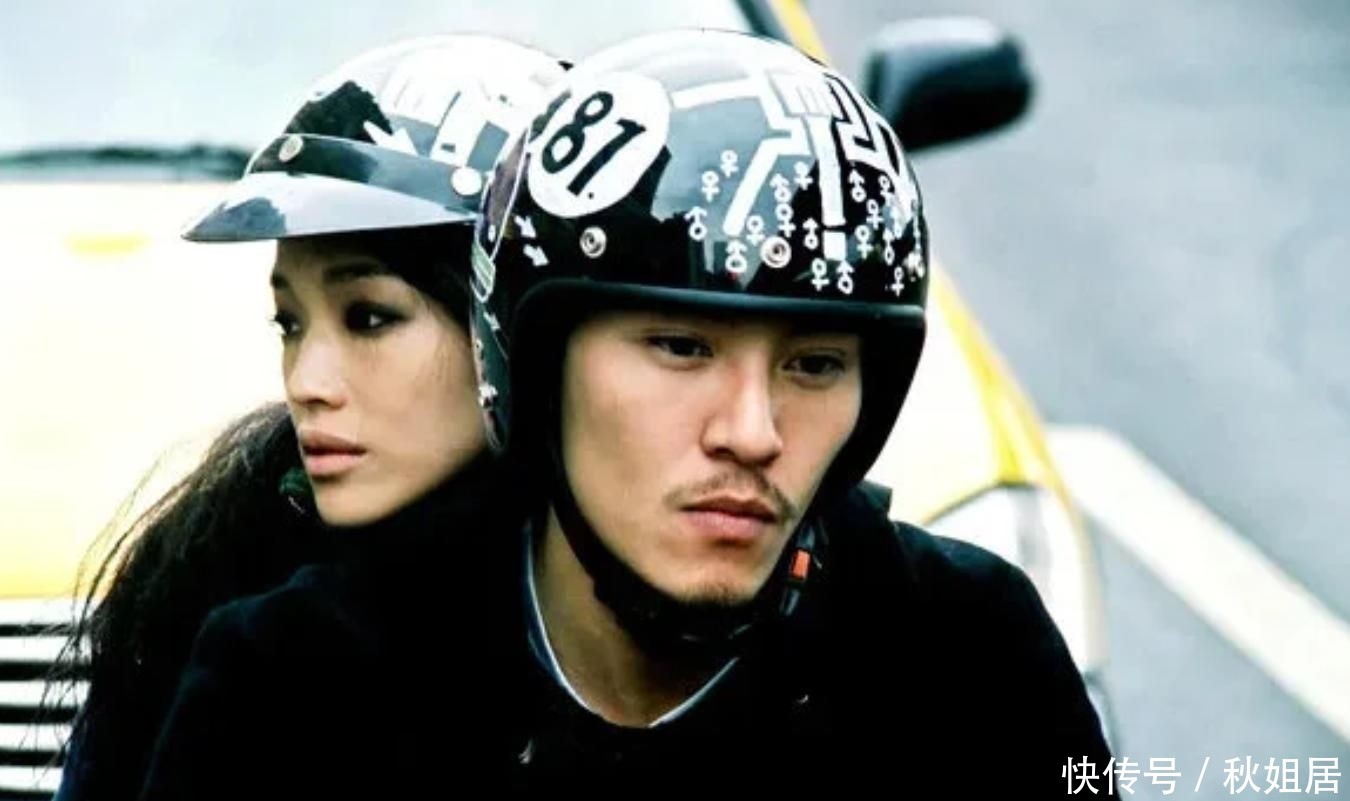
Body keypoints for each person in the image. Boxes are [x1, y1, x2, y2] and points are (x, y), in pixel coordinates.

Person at [138, 30, 1113, 799]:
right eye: (681, 348)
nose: (753, 431)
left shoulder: (972, 660)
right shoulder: (292, 686)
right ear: (533, 365)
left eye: (815, 365)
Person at [49, 35, 565, 801]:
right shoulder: (214, 587)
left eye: (369, 317)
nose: (306, 382)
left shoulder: (625, 606)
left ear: (513, 322)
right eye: (289, 323)